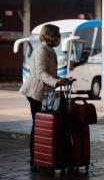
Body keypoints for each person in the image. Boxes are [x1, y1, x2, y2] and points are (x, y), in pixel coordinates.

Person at [19, 24, 71, 171]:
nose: (59, 38)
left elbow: (50, 73)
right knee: (38, 125)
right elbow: (41, 74)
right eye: (57, 35)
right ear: (49, 35)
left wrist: (61, 79)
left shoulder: (50, 51)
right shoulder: (41, 50)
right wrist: (56, 81)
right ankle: (34, 157)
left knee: (44, 124)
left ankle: (43, 155)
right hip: (36, 92)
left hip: (45, 93)